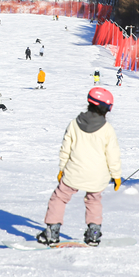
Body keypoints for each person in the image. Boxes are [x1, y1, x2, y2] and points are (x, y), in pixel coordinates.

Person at [37, 87, 121, 246]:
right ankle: (94, 233)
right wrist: (116, 175)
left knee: (59, 198)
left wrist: (62, 169)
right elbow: (113, 155)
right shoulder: (107, 129)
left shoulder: (74, 124)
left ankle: (52, 232)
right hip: (97, 176)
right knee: (94, 200)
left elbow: (65, 149)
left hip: (73, 173)